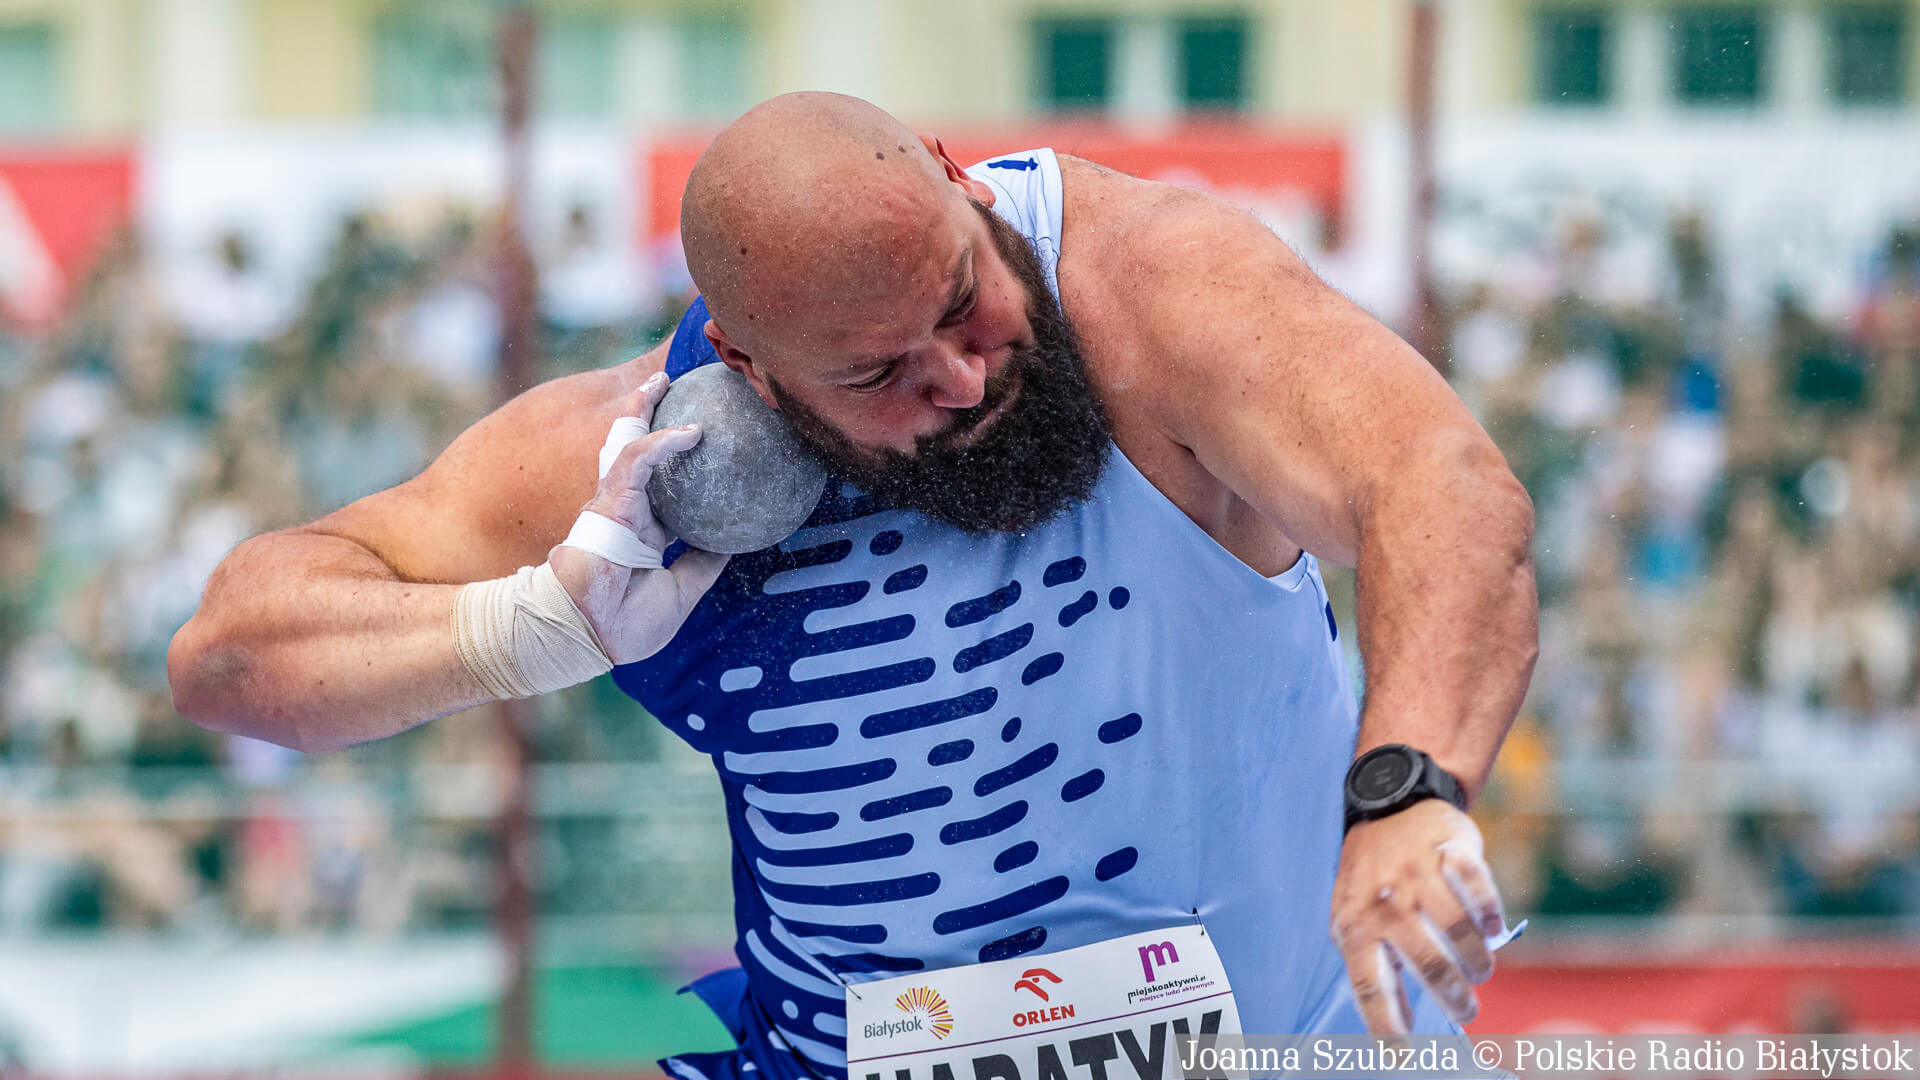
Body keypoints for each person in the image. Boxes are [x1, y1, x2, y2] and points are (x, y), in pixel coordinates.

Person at [170, 93, 1537, 1078]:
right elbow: (232, 656)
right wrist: (534, 628)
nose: (958, 379)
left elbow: (1439, 484)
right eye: (878, 375)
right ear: (757, 372)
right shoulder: (662, 449)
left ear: (957, 185)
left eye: (961, 303)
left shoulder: (1150, 289)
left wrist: (1412, 790)